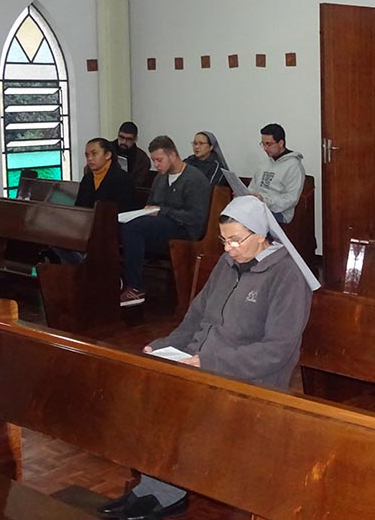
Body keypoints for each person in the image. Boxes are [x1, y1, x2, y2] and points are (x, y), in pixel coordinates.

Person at [98, 195, 320, 520]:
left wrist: (209, 361)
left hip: (251, 379)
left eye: (235, 240)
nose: (228, 248)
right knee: (143, 388)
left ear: (261, 235)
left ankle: (167, 493)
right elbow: (195, 317)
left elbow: (277, 350)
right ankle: (150, 487)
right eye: (223, 240)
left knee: (176, 404)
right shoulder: (227, 264)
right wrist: (165, 345)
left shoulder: (287, 275)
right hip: (203, 364)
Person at [119, 136, 211, 307]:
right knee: (121, 225)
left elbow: (196, 217)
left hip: (185, 231)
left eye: (159, 160)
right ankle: (120, 280)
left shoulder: (195, 179)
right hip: (161, 227)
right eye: (154, 160)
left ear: (173, 155)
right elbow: (152, 204)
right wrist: (146, 211)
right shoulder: (161, 178)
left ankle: (136, 287)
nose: (156, 165)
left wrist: (162, 211)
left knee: (134, 229)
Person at [250, 123, 305, 224]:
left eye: (269, 144)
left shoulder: (294, 166)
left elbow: (291, 199)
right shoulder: (264, 163)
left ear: (280, 143)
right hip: (258, 206)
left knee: (248, 220)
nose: (265, 148)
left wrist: (264, 200)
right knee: (231, 214)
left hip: (278, 212)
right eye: (263, 144)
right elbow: (253, 187)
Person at [75, 137, 136, 212]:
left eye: (94, 154)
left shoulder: (122, 179)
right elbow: (78, 208)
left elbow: (124, 210)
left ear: (107, 155)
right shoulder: (87, 178)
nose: (89, 158)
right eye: (87, 155)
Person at [113, 121, 153, 187]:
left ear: (135, 139)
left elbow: (138, 184)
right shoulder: (106, 150)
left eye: (129, 139)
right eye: (121, 137)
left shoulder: (142, 159)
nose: (124, 142)